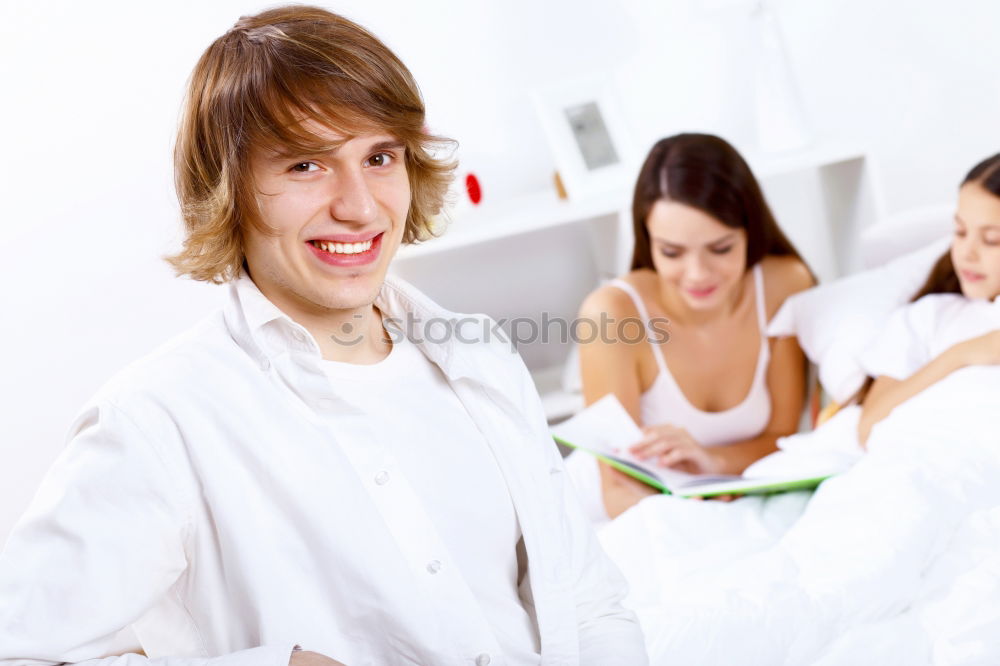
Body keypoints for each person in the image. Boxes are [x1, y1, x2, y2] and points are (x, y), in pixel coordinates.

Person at [0, 7, 647, 666]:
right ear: (228, 189)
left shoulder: (479, 353)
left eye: (379, 156)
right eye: (306, 164)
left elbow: (590, 604)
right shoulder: (157, 422)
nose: (360, 206)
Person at [570, 133, 814, 520]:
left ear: (750, 231)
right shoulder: (611, 315)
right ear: (648, 240)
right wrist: (696, 514)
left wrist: (711, 462)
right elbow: (618, 486)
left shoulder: (785, 285)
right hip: (629, 511)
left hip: (732, 497)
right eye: (672, 252)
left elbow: (783, 438)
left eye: (721, 249)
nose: (698, 274)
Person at [858, 153, 1000, 444]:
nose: (967, 253)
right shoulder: (930, 317)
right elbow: (868, 429)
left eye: (991, 239)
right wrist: (961, 354)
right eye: (960, 232)